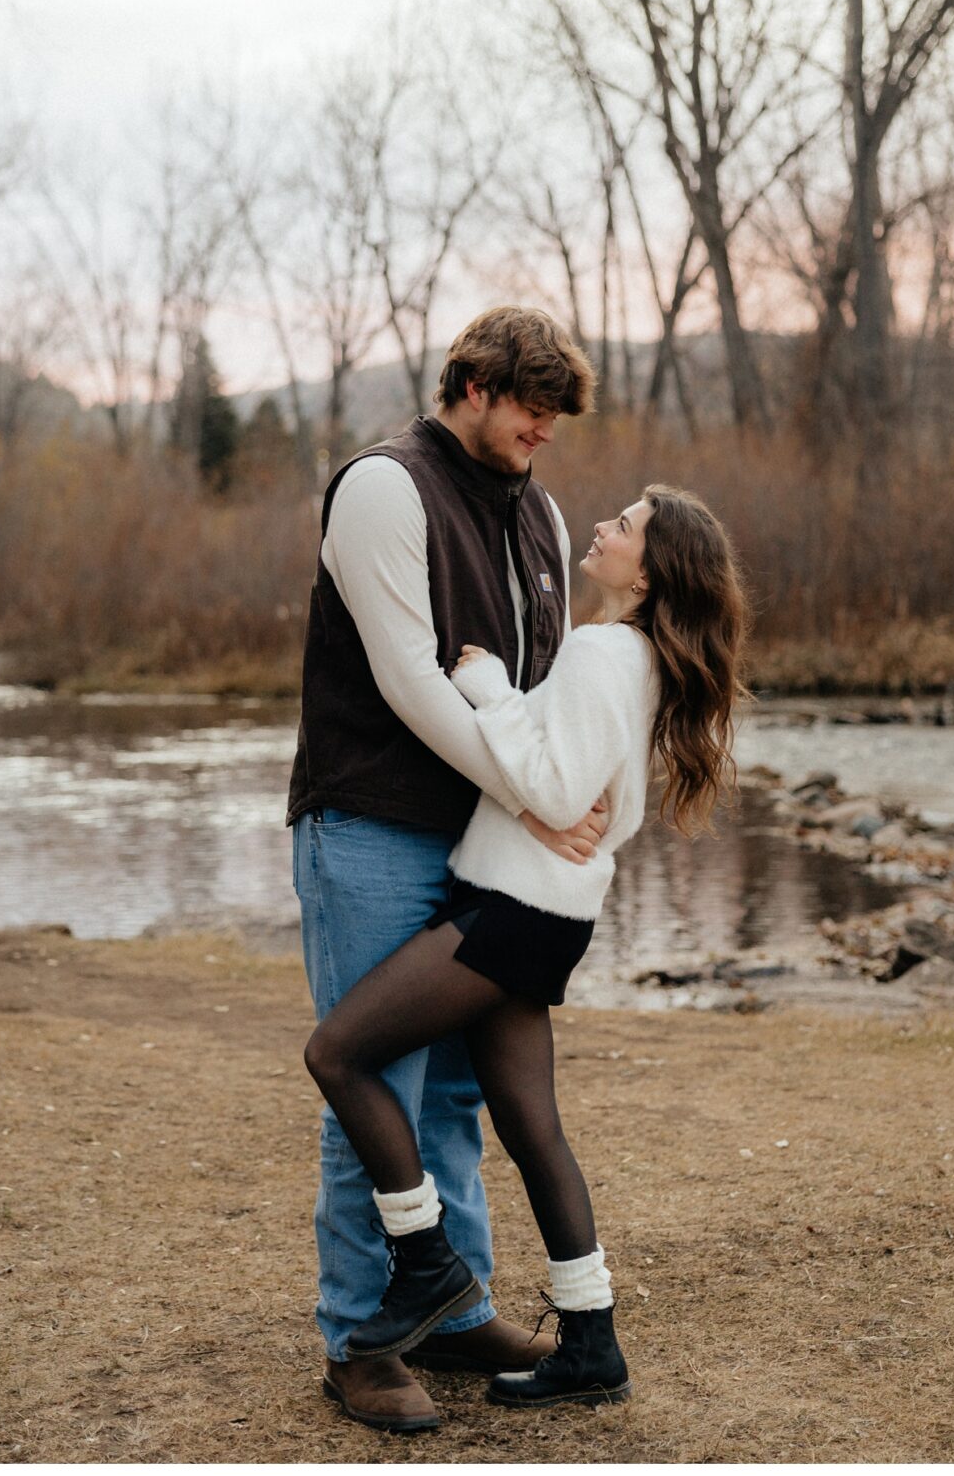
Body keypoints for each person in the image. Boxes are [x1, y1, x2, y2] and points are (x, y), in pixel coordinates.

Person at [303, 484, 748, 1413]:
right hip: (547, 913)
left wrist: (492, 689)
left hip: (508, 911)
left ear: (651, 570)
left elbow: (552, 788)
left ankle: (424, 1261)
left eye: (624, 527)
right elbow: (579, 792)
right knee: (529, 1124)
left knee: (339, 1054)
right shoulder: (642, 661)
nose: (601, 527)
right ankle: (590, 1337)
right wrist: (523, 726)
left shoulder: (598, 651)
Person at [283, 305, 613, 1434]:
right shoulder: (382, 486)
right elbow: (415, 684)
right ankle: (360, 1339)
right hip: (370, 823)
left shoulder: (541, 512)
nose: (546, 431)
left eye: (557, 414)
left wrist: (566, 787)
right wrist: (538, 795)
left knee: (463, 1092)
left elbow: (540, 688)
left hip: (488, 843)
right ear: (469, 385)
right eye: (531, 407)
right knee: (376, 1075)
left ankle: (457, 1309)